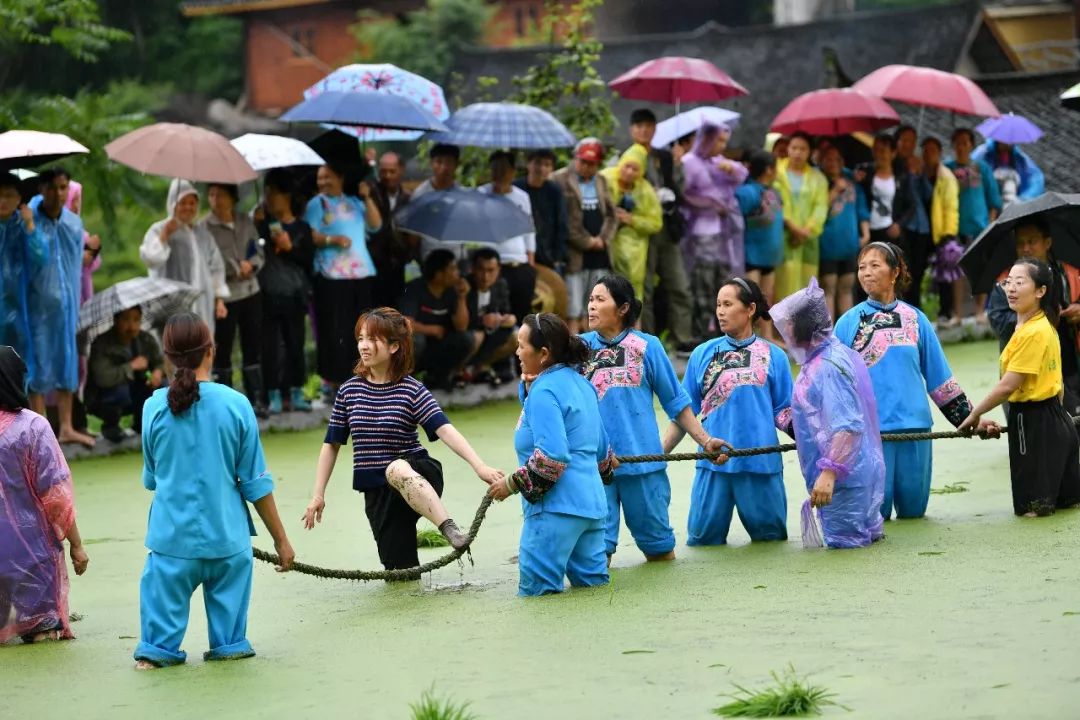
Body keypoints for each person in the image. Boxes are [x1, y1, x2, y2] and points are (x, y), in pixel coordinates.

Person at [133, 314, 294, 669]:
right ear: (211, 351)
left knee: (153, 655)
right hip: (228, 545)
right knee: (232, 652)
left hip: (170, 545)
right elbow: (256, 484)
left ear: (167, 356)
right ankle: (229, 651)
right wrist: (281, 542)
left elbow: (153, 479)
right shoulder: (236, 404)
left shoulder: (153, 408)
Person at [302, 308, 503, 570]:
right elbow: (331, 445)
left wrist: (479, 466)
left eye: (373, 339)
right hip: (377, 492)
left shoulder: (411, 389)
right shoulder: (348, 392)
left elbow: (444, 429)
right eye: (361, 338)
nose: (364, 345)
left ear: (394, 346)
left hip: (418, 473)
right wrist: (318, 494)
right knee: (399, 569)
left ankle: (449, 528)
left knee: (395, 468)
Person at [581, 275, 723, 562]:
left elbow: (677, 403)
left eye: (600, 299)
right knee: (596, 556)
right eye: (590, 299)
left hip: (643, 467)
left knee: (659, 550)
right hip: (595, 470)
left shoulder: (648, 347)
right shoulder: (577, 349)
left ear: (622, 308)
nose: (591, 306)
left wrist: (705, 441)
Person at [834, 242, 973, 520]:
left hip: (916, 430)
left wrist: (972, 420)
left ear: (894, 272)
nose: (866, 273)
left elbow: (940, 380)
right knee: (876, 517)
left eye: (875, 265)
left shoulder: (917, 320)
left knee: (914, 513)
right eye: (862, 267)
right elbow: (835, 386)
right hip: (870, 434)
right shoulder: (847, 324)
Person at [488, 313, 614, 595]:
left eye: (522, 346)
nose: (517, 352)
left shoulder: (545, 391)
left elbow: (553, 456)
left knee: (538, 596)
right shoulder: (582, 384)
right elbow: (603, 453)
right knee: (594, 594)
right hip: (592, 509)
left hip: (555, 512)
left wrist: (509, 485)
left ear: (543, 354)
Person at [665, 278, 791, 545]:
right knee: (702, 543)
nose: (720, 311)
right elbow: (683, 412)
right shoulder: (702, 354)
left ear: (750, 309)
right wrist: (659, 452)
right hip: (713, 466)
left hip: (760, 466)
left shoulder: (775, 356)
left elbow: (784, 412)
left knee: (771, 543)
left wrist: (814, 446)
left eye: (727, 304)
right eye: (718, 305)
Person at [959, 258, 1080, 517]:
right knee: (1062, 507)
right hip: (1056, 421)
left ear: (1040, 291)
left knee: (1032, 511)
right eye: (1008, 282)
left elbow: (1008, 386)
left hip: (1034, 425)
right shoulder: (1034, 326)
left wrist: (974, 414)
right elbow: (1056, 386)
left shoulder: (1033, 332)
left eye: (1020, 282)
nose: (1011, 288)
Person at [770, 279, 886, 548]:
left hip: (845, 482)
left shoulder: (828, 365)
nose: (785, 331)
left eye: (788, 324)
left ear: (803, 325)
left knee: (847, 555)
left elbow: (848, 424)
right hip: (854, 474)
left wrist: (830, 473)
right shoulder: (829, 356)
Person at [0, 346, 88, 644]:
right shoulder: (33, 427)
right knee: (42, 632)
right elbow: (56, 494)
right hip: (31, 554)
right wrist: (76, 544)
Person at [27, 168, 94, 448]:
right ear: (42, 189)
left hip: (67, 304)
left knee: (67, 362)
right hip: (37, 305)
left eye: (63, 187)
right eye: (53, 187)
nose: (58, 193)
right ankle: (39, 428)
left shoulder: (73, 223)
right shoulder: (30, 220)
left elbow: (76, 262)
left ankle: (66, 427)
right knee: (38, 364)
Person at [304, 163, 383, 394]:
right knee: (335, 330)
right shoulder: (316, 204)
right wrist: (332, 240)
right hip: (331, 275)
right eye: (320, 178)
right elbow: (308, 233)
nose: (323, 182)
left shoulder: (354, 202)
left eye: (328, 177)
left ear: (340, 177)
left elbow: (376, 226)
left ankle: (361, 377)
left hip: (361, 273)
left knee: (361, 330)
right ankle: (335, 382)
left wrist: (367, 197)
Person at [987, 219, 1080, 414]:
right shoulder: (1006, 281)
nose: (1026, 248)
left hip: (1070, 368)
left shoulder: (1069, 274)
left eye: (1032, 241)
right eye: (1020, 243)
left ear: (1047, 243)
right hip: (1025, 381)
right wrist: (1040, 317)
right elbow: (999, 322)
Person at [628, 109, 694, 354]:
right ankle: (647, 340)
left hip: (667, 227)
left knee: (679, 284)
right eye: (639, 126)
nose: (644, 130)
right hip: (642, 231)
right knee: (643, 288)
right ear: (631, 130)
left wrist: (678, 166)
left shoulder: (664, 156)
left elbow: (679, 190)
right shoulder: (627, 158)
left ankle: (682, 337)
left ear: (655, 129)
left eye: (648, 126)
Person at [200, 183, 267, 417]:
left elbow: (257, 250)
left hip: (251, 290)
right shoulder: (204, 227)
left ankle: (257, 398)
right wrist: (231, 270)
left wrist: (252, 264)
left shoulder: (245, 221)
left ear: (232, 198)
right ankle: (224, 401)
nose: (215, 199)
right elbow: (206, 263)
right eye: (211, 194)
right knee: (223, 347)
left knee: (253, 343)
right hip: (225, 296)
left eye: (220, 194)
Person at [681, 122, 748, 342]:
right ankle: (701, 334)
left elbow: (741, 174)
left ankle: (725, 333)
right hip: (701, 233)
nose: (722, 146)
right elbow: (683, 194)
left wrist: (732, 169)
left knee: (725, 285)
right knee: (703, 285)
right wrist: (709, 204)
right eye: (719, 140)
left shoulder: (718, 162)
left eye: (724, 142)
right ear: (707, 138)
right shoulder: (689, 162)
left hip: (723, 233)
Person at [255, 170, 315, 414]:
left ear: (287, 195)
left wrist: (289, 248)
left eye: (274, 193)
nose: (270, 198)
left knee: (294, 344)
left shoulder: (302, 227)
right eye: (267, 193)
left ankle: (296, 391)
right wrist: (258, 226)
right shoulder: (262, 225)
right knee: (269, 347)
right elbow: (255, 254)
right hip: (267, 294)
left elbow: (308, 260)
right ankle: (273, 394)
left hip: (294, 294)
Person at [141, 179, 229, 332]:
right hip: (171, 306)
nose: (188, 207)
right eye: (183, 202)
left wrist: (219, 299)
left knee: (200, 347)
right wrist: (164, 236)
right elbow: (151, 259)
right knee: (173, 347)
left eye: (192, 203)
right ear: (173, 204)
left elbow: (216, 267)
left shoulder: (202, 234)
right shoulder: (159, 229)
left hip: (202, 305)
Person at [552, 138, 618, 334]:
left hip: (600, 253)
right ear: (575, 158)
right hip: (575, 254)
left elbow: (611, 214)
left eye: (592, 163)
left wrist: (603, 239)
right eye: (583, 161)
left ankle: (593, 352)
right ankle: (574, 350)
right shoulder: (559, 179)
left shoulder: (601, 180)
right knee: (573, 308)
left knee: (597, 305)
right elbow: (564, 219)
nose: (586, 167)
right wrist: (586, 241)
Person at [945, 128, 1002, 325]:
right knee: (956, 272)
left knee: (981, 270)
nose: (961, 146)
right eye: (958, 143)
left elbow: (994, 200)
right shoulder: (947, 169)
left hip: (980, 227)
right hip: (956, 227)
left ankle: (980, 312)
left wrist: (990, 224)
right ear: (953, 146)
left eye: (965, 142)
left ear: (971, 145)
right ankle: (957, 315)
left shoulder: (982, 168)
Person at [85, 307, 165, 442]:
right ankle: (111, 427)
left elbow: (159, 362)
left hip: (138, 390)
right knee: (119, 392)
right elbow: (102, 378)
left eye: (136, 320)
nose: (131, 326)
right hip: (105, 396)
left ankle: (144, 425)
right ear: (116, 320)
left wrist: (157, 372)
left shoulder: (145, 339)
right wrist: (131, 366)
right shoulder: (101, 343)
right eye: (126, 319)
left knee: (164, 387)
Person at [399, 249, 473, 391]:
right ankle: (406, 380)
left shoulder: (452, 291)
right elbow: (404, 323)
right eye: (452, 268)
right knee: (415, 339)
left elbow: (461, 327)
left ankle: (438, 377)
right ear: (438, 274)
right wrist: (431, 330)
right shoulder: (415, 289)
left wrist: (462, 297)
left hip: (439, 345)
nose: (457, 273)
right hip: (418, 346)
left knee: (465, 339)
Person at [479, 151, 537, 326]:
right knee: (497, 312)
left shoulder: (522, 197)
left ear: (512, 171)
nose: (499, 173)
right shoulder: (481, 194)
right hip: (493, 266)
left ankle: (521, 350)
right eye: (495, 168)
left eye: (504, 168)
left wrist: (530, 263)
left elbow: (529, 230)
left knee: (521, 314)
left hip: (519, 263)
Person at [600, 145, 663, 300]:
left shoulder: (645, 190)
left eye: (635, 169)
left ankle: (632, 323)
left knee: (631, 293)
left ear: (641, 172)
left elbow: (656, 223)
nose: (629, 172)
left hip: (633, 254)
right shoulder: (604, 178)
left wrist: (632, 220)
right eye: (627, 166)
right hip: (604, 244)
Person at [515, 148, 569, 319]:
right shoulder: (517, 188)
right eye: (537, 163)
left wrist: (556, 256)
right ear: (528, 164)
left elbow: (561, 224)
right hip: (520, 255)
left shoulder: (554, 190)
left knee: (551, 305)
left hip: (547, 258)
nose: (542, 168)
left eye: (547, 165)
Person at [774, 132, 828, 302]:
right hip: (783, 235)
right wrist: (792, 227)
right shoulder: (776, 172)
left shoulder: (818, 178)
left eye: (802, 149)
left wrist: (806, 231)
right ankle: (777, 329)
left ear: (810, 152)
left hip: (808, 239)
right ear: (787, 149)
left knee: (806, 288)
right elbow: (775, 201)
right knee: (780, 284)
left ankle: (802, 329)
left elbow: (821, 206)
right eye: (794, 148)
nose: (797, 152)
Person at [819, 146, 869, 319]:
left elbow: (861, 209)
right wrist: (834, 191)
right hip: (828, 243)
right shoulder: (819, 183)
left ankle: (848, 332)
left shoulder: (853, 184)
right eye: (828, 160)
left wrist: (865, 233)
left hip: (850, 242)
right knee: (829, 286)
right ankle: (829, 334)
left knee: (847, 285)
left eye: (836, 160)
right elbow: (818, 210)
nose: (832, 163)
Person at [0, 173, 44, 368]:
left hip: (18, 311)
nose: (3, 200)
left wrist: (30, 225)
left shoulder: (22, 226)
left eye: (9, 195)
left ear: (19, 199)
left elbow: (41, 257)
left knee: (16, 368)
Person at [736, 151, 784, 304]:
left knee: (766, 301)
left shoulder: (774, 191)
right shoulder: (746, 192)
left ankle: (767, 330)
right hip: (751, 256)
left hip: (770, 256)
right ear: (769, 169)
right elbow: (735, 223)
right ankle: (750, 329)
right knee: (751, 301)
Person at [465, 247, 517, 385]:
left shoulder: (500, 285)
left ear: (498, 269)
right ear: (473, 269)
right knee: (476, 336)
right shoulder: (464, 286)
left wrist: (506, 319)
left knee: (516, 335)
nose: (485, 276)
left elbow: (506, 312)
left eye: (490, 270)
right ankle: (458, 371)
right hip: (465, 337)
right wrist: (482, 321)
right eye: (481, 269)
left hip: (489, 336)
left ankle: (479, 367)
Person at [370, 151, 412, 308]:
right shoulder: (372, 194)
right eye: (383, 171)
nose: (387, 176)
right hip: (374, 265)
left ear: (401, 170)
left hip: (398, 265)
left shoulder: (408, 198)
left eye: (392, 171)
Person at [972, 139, 1045, 206]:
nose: (1007, 145)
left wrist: (1024, 199)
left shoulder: (1019, 158)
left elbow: (1036, 179)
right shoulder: (983, 153)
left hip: (1011, 202)